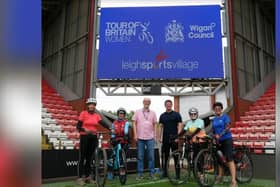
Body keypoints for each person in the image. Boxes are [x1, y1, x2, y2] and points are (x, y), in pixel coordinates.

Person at [76, 97, 110, 186]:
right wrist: (85, 129)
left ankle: (87, 177)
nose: (92, 106)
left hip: (93, 137)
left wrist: (111, 128)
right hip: (84, 137)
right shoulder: (83, 113)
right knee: (82, 157)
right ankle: (80, 178)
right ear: (88, 105)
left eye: (93, 105)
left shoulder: (96, 115)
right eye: (90, 104)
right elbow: (78, 127)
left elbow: (103, 123)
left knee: (89, 158)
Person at [212, 102, 237, 187]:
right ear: (214, 110)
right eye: (215, 109)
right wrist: (214, 137)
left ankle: (234, 181)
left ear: (221, 109)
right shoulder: (214, 119)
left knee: (229, 159)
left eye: (219, 108)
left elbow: (227, 127)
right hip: (219, 142)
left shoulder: (225, 116)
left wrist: (220, 134)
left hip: (227, 140)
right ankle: (220, 177)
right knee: (220, 160)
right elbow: (214, 131)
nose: (217, 110)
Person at [133, 98, 157, 180]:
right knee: (140, 157)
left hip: (150, 137)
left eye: (148, 102)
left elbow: (155, 125)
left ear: (150, 103)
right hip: (140, 137)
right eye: (145, 101)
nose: (146, 103)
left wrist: (155, 135)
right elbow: (134, 123)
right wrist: (135, 134)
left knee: (151, 157)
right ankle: (140, 174)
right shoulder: (137, 112)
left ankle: (151, 174)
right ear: (143, 102)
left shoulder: (153, 113)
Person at [159, 100, 183, 178]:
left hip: (174, 138)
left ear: (171, 105)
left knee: (176, 156)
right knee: (165, 156)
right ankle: (165, 173)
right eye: (167, 104)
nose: (168, 106)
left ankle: (177, 174)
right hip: (165, 139)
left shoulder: (176, 115)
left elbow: (180, 126)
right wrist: (160, 137)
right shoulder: (162, 116)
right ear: (165, 105)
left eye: (169, 104)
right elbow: (161, 127)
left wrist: (178, 137)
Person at [107, 107, 131, 180]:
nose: (121, 115)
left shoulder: (126, 122)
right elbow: (113, 132)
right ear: (118, 114)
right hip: (116, 140)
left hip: (124, 140)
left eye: (123, 114)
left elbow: (126, 131)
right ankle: (111, 172)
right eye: (120, 113)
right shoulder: (114, 123)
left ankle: (122, 172)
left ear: (124, 115)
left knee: (122, 159)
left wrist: (126, 136)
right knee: (112, 157)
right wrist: (112, 137)